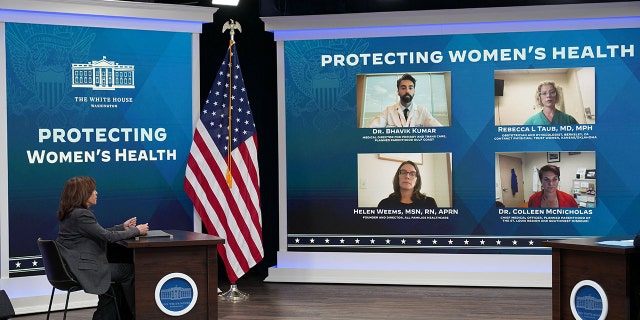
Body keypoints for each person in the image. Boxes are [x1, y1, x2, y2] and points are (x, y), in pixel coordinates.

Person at [55, 176, 149, 320]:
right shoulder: (81, 215)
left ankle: (114, 314)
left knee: (118, 274)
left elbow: (97, 233)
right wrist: (137, 230)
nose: (96, 193)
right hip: (83, 269)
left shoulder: (70, 213)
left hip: (71, 267)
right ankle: (134, 314)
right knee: (129, 271)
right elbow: (107, 237)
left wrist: (122, 227)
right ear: (83, 194)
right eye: (92, 190)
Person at [368, 73, 443, 128]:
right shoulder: (388, 111)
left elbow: (440, 130)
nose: (407, 91)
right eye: (403, 88)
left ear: (414, 91)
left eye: (410, 88)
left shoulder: (422, 111)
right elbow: (371, 130)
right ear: (398, 91)